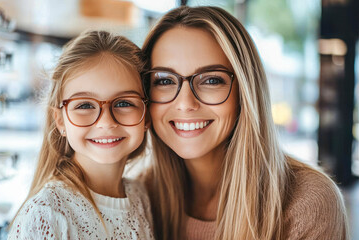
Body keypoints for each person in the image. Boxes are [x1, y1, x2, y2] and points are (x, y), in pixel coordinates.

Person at [141, 6, 348, 240]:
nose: (185, 103)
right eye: (165, 80)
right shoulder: (137, 195)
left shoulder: (307, 202)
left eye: (211, 80)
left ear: (245, 92)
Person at [8, 30, 154, 239]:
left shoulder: (141, 196)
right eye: (85, 105)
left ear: (146, 116)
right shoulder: (46, 214)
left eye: (123, 103)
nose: (106, 122)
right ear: (60, 120)